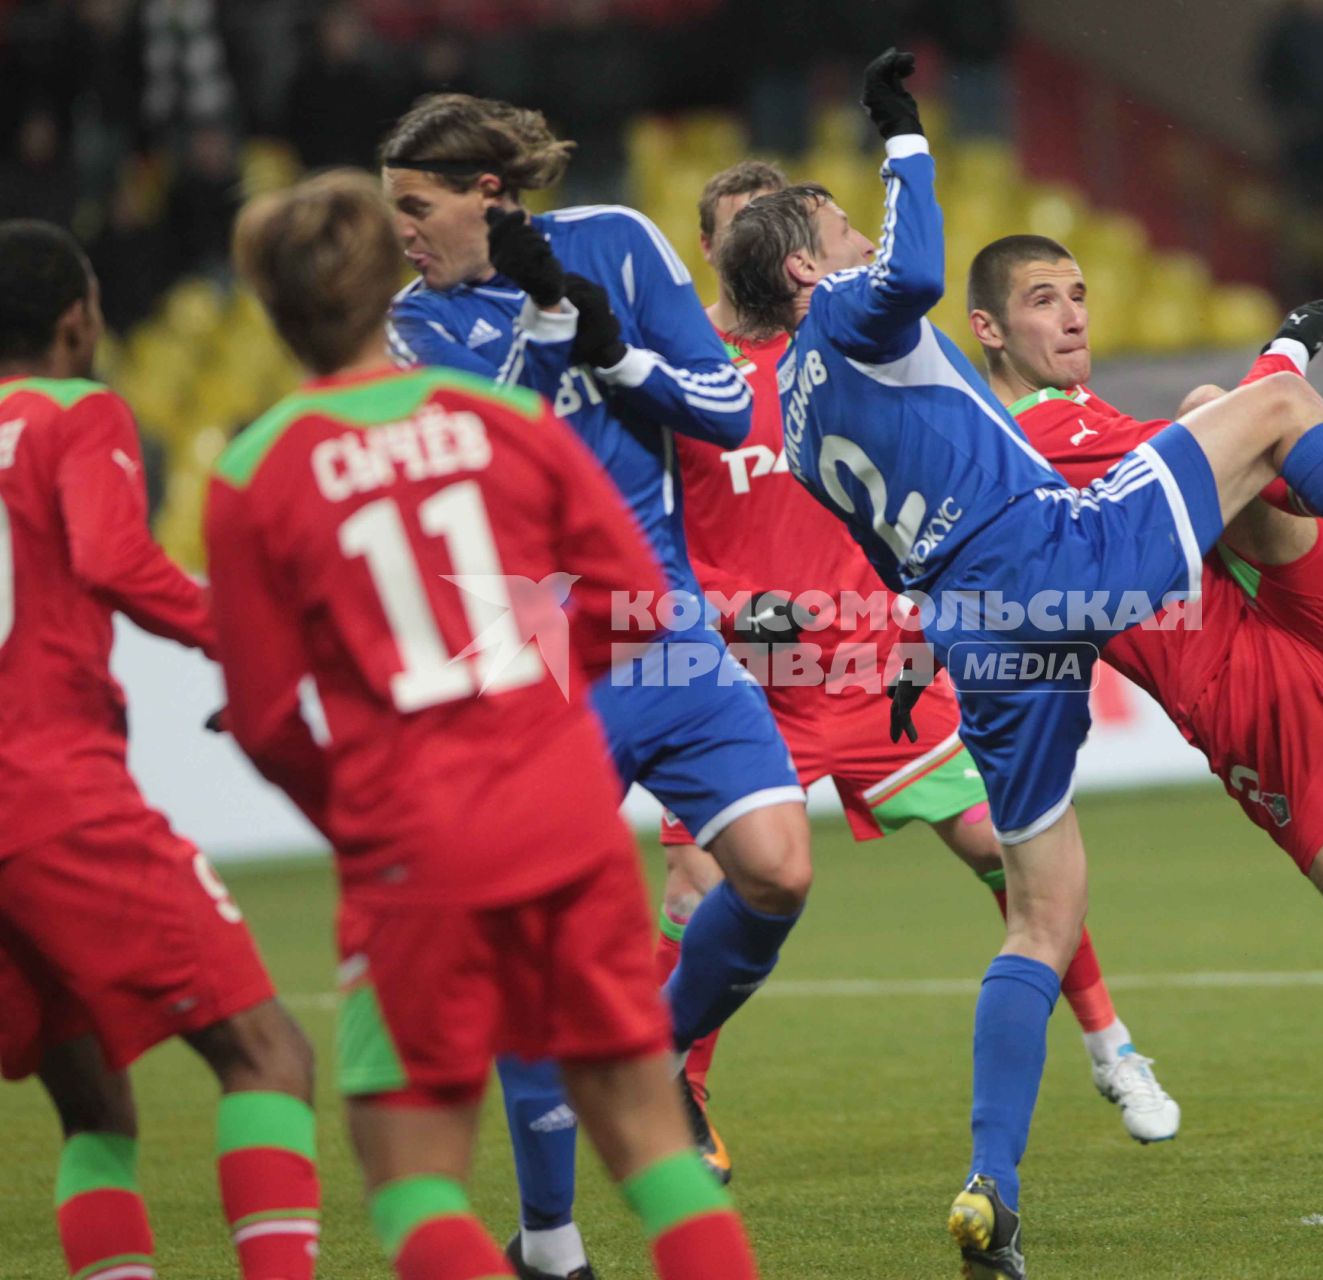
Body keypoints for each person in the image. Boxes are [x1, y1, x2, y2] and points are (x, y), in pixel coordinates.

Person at [715, 48, 1323, 1278]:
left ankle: (991, 1192)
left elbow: (885, 552)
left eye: (1078, 294)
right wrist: (904, 134)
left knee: (1037, 916)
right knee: (1257, 409)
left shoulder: (802, 416)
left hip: (1000, 628)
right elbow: (912, 265)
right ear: (808, 268)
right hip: (1098, 585)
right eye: (838, 229)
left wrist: (926, 655)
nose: (861, 235)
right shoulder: (872, 325)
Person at [211, 169, 760, 1280]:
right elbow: (639, 602)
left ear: (269, 311)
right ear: (382, 287)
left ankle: (541, 1249)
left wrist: (355, 814)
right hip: (561, 816)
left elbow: (266, 720)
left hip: (411, 842)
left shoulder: (253, 469)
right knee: (655, 1153)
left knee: (413, 1179)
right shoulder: (504, 417)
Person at [969, 230, 1323, 1256]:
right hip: (1245, 688)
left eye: (1080, 293)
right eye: (1043, 299)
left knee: (1207, 418)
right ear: (988, 329)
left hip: (1289, 599)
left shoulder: (1098, 421)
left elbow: (1219, 460)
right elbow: (1211, 467)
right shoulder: (1017, 448)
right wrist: (1281, 358)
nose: (1074, 314)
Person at [657, 159, 1179, 1170]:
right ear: (719, 247)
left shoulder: (836, 346)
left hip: (873, 670)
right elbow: (652, 537)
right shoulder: (680, 376)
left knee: (1007, 850)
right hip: (740, 690)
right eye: (738, 229)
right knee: (697, 892)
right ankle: (675, 1084)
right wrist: (729, 612)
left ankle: (1109, 1042)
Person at [377, 94, 807, 1279]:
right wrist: (544, 320)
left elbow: (725, 407)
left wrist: (612, 343)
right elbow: (496, 449)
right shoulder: (414, 324)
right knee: (539, 943)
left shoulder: (619, 236)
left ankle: (650, 1053)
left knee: (777, 867)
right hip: (535, 655)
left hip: (666, 632)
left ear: (490, 195)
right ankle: (551, 1246)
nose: (403, 232)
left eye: (418, 206)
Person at [0, 219, 321, 1280]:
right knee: (269, 1055)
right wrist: (254, 637)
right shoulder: (73, 407)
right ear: (78, 320)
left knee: (94, 1108)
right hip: (51, 794)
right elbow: (115, 555)